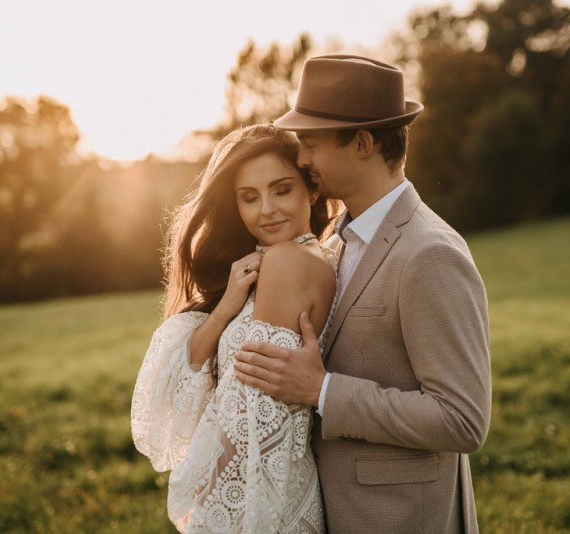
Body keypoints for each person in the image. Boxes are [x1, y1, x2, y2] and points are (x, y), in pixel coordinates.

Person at [234, 55, 492, 533]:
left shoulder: (428, 254)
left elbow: (462, 420)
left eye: (309, 143)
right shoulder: (333, 239)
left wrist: (322, 390)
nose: (303, 158)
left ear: (362, 143)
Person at [131, 124, 337, 533]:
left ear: (311, 191)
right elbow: (188, 367)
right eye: (249, 197)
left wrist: (209, 500)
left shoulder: (287, 262)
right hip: (268, 485)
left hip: (259, 494)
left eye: (281, 190)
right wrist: (226, 307)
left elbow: (253, 414)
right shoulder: (279, 261)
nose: (266, 210)